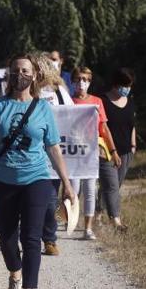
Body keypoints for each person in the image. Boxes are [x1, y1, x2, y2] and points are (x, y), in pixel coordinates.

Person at [0, 54, 74, 289]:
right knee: (7, 238)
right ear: (9, 75)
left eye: (25, 70)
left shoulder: (43, 109)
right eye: (16, 70)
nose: (20, 74)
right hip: (2, 181)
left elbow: (53, 148)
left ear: (34, 76)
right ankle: (15, 274)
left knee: (31, 237)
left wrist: (66, 182)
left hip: (37, 179)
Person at [32, 52, 75, 256]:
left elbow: (73, 119)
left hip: (51, 155)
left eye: (39, 68)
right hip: (27, 155)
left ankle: (49, 239)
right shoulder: (25, 91)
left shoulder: (59, 93)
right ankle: (30, 235)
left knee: (50, 201)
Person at [70, 66, 120, 240]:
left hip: (92, 152)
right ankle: (70, 220)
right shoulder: (68, 101)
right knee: (73, 189)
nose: (81, 82)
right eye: (78, 79)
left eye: (85, 79)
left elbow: (103, 127)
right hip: (73, 151)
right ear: (72, 81)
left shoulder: (97, 101)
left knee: (90, 189)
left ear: (90, 82)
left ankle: (88, 228)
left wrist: (113, 150)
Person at [97, 67, 137, 232]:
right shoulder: (103, 101)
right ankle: (116, 222)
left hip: (126, 151)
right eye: (124, 84)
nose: (127, 88)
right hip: (106, 151)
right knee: (112, 185)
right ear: (116, 83)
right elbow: (99, 127)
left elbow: (132, 126)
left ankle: (97, 212)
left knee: (113, 185)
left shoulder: (130, 102)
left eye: (129, 85)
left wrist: (133, 145)